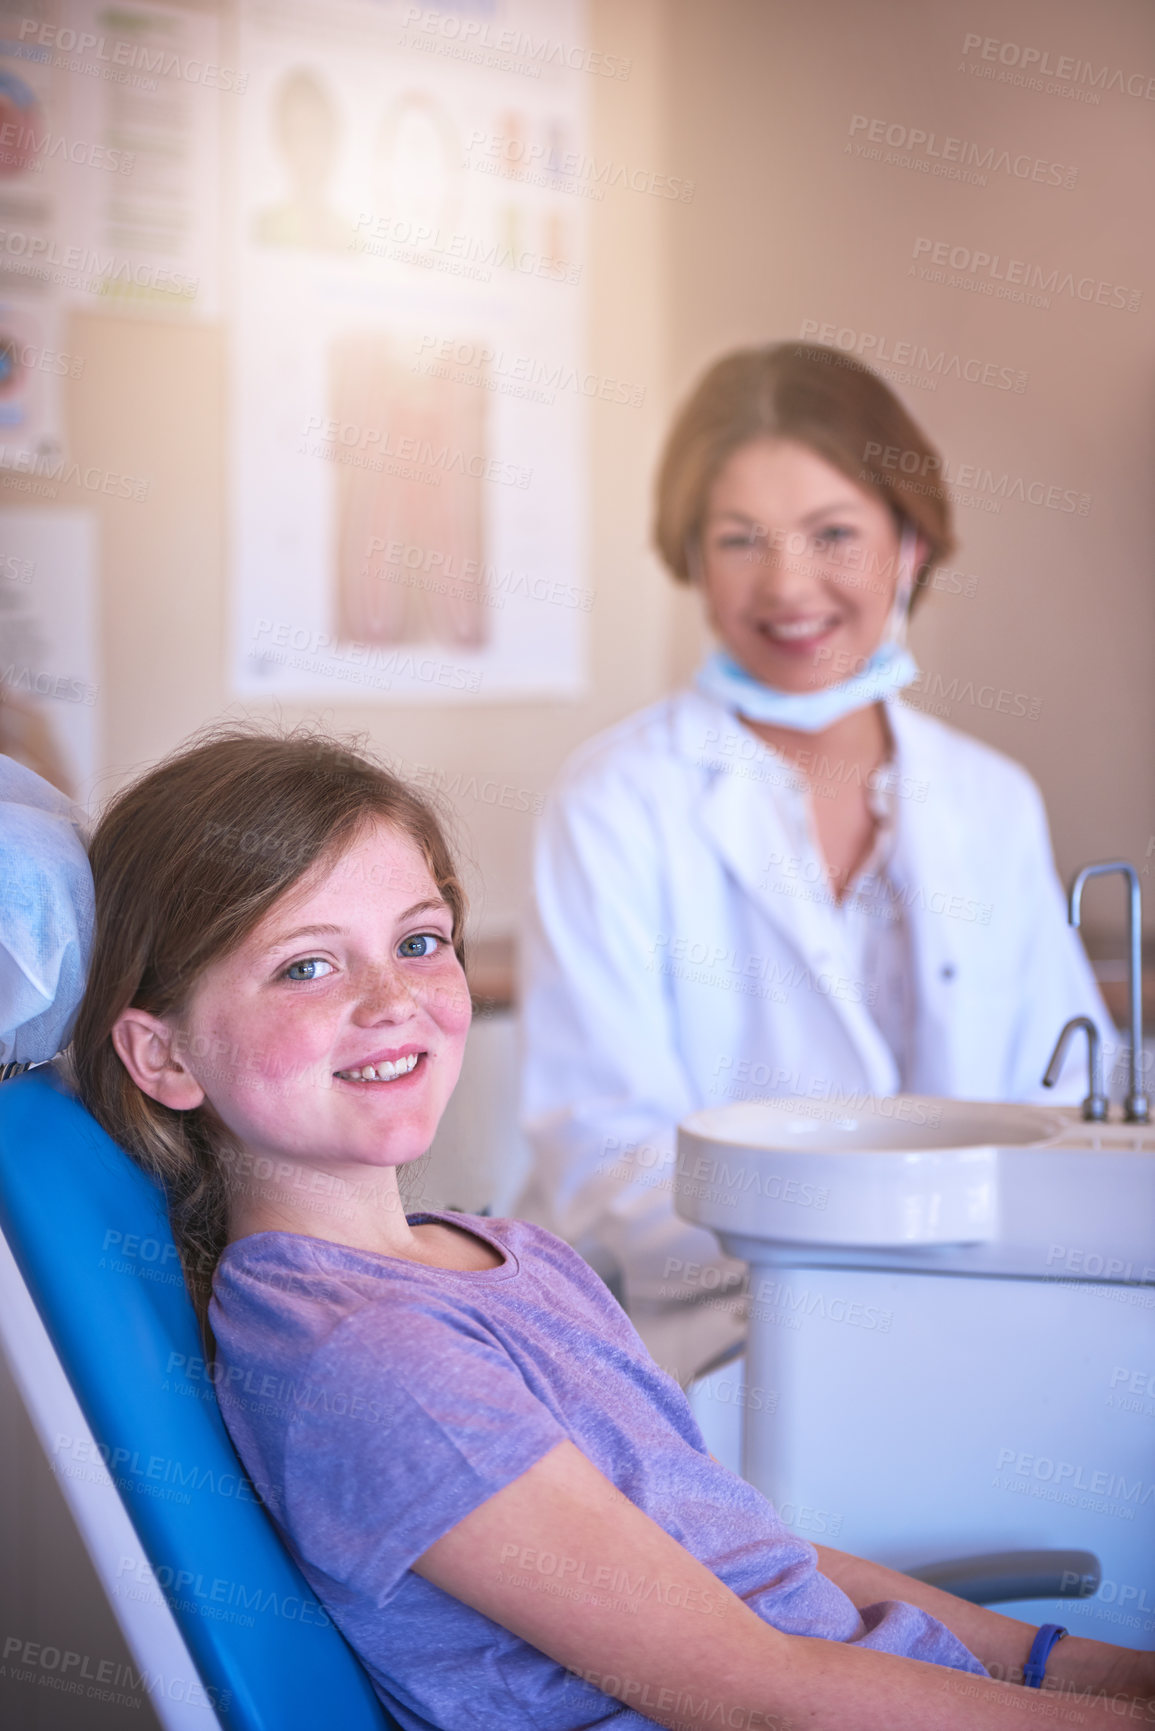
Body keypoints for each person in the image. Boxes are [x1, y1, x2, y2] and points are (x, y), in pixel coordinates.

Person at [69, 727, 1149, 1731]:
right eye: (308, 964)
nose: (393, 998)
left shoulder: (505, 1254)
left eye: (421, 940)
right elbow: (758, 1699)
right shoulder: (369, 1355)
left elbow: (747, 1557)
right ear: (163, 1057)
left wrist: (1072, 1668)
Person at [515, 342, 1111, 1382]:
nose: (788, 585)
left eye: (834, 533)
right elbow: (606, 1157)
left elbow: (1059, 1099)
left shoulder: (989, 801)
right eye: (740, 540)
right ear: (692, 557)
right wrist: (864, 1266)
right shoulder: (613, 799)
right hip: (709, 1338)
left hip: (983, 1322)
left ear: (911, 546)